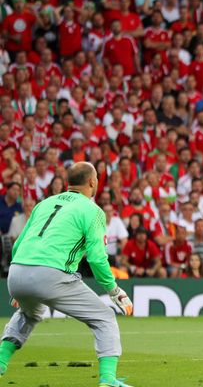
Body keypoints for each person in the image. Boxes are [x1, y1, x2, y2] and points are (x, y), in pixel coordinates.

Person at [0, 162, 133, 386]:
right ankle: (108, 380)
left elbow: (18, 245)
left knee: (30, 314)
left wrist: (19, 285)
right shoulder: (93, 211)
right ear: (92, 181)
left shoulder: (45, 204)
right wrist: (114, 290)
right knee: (104, 318)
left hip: (17, 271)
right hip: (52, 274)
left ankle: (1, 362)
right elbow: (97, 258)